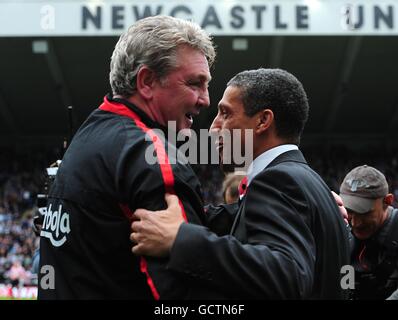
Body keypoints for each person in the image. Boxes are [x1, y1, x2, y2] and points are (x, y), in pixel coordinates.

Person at [131, 68, 351, 299]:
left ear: (263, 121)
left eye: (225, 114)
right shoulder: (309, 183)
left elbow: (286, 277)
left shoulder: (278, 181)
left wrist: (181, 240)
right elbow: (237, 217)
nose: (214, 127)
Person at [38, 15, 216, 299]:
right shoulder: (151, 155)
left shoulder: (88, 135)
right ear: (146, 81)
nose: (206, 99)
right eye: (195, 84)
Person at [339, 165, 398, 300]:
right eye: (350, 211)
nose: (356, 223)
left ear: (387, 201)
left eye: (364, 213)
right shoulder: (343, 235)